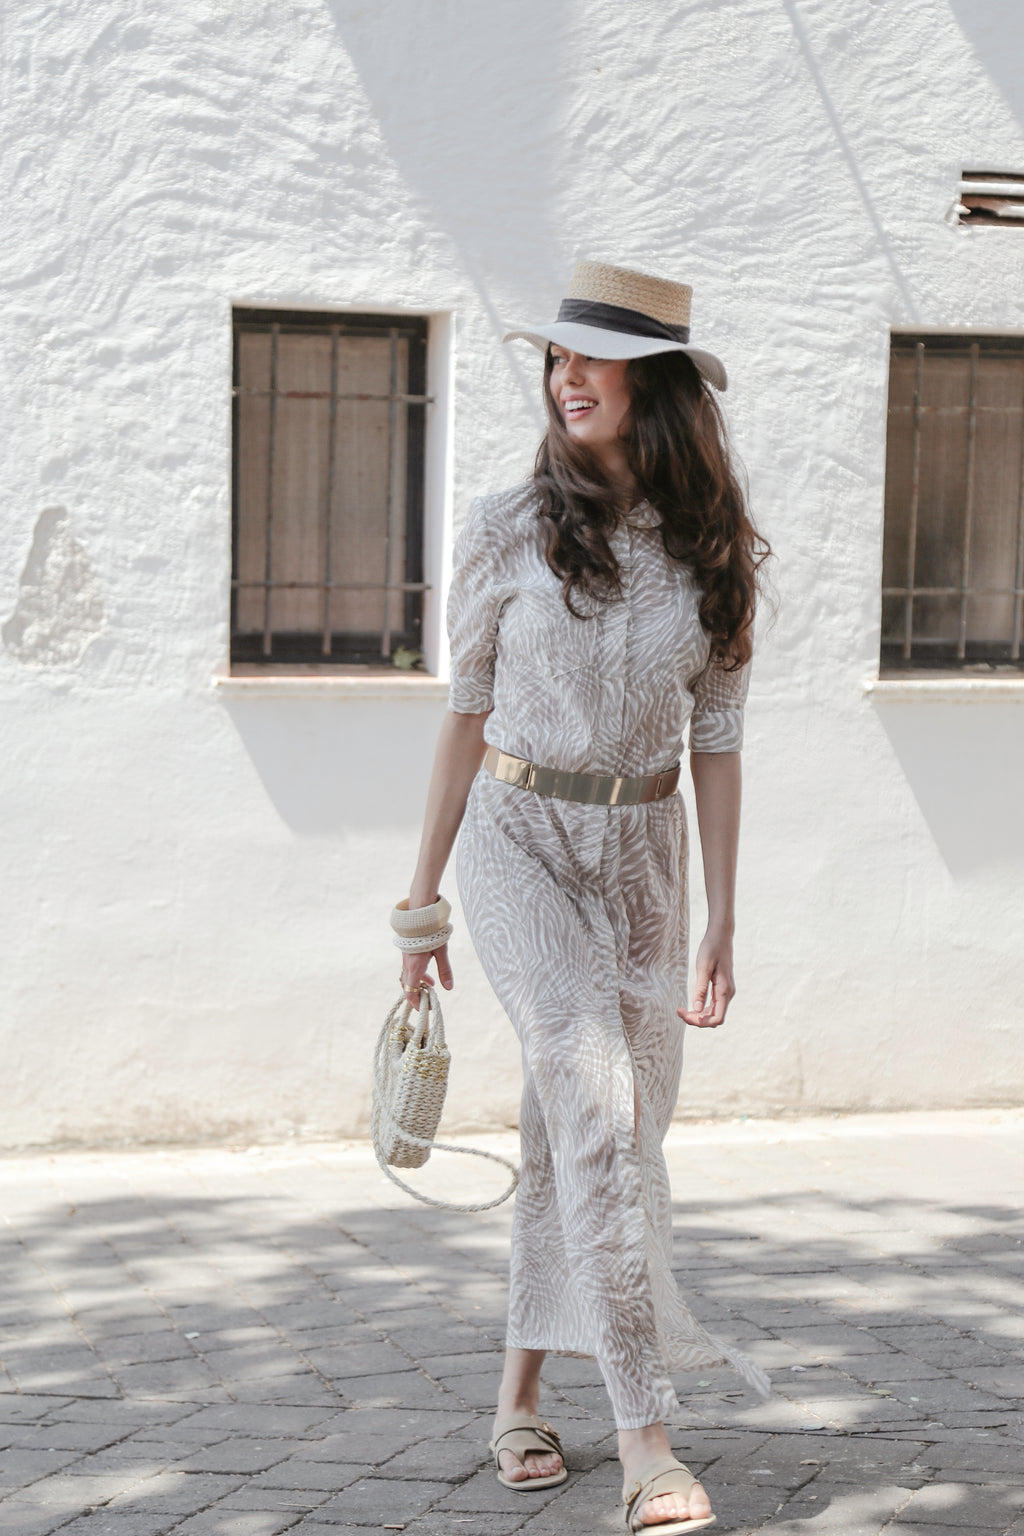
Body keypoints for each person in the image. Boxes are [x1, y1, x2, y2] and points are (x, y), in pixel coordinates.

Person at [390, 261, 771, 1535]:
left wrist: (720, 912)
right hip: (518, 837)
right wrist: (420, 903)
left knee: (597, 1132)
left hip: (649, 861)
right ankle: (648, 1438)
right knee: (593, 1103)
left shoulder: (711, 545)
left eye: (589, 357)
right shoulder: (505, 526)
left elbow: (715, 734)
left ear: (651, 385)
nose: (564, 376)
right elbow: (460, 722)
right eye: (555, 356)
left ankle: (516, 1394)